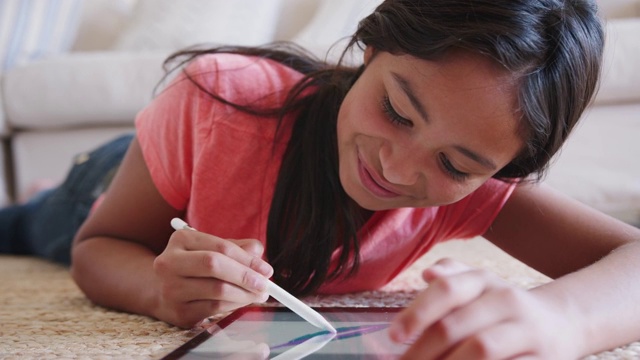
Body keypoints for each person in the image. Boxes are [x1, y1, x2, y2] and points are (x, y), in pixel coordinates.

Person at [1, 0, 638, 358]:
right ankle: (43, 195)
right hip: (126, 177)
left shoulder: (486, 185)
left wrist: (565, 320)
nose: (397, 168)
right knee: (33, 226)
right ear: (370, 48)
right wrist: (155, 290)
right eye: (396, 110)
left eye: (456, 165)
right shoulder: (221, 101)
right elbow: (96, 250)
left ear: (501, 173)